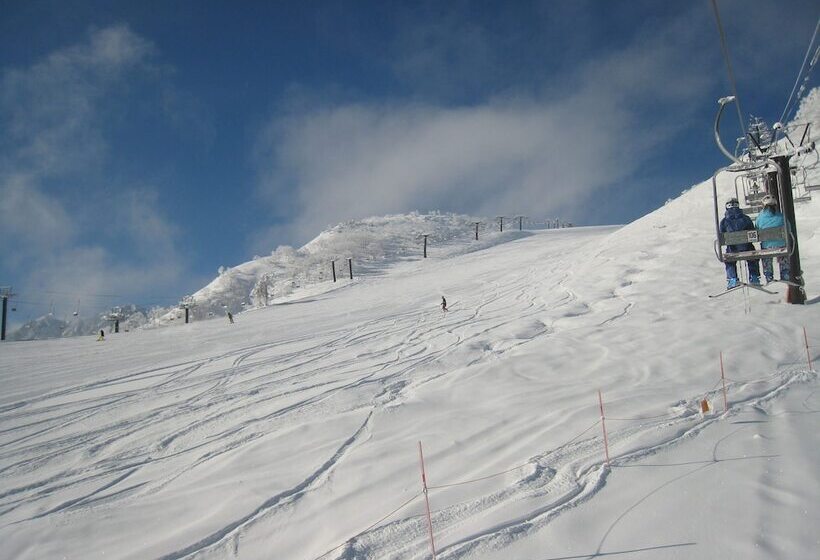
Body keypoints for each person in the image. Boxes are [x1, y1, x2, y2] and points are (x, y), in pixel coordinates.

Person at [720, 197, 760, 289]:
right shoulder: (746, 218)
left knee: (729, 260)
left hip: (733, 249)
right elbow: (752, 231)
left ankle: (732, 278)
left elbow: (722, 234)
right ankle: (754, 277)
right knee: (752, 255)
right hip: (747, 247)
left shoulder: (724, 221)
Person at [755, 194, 790, 283]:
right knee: (783, 251)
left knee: (766, 254)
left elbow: (757, 229)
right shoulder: (781, 216)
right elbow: (789, 229)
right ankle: (785, 273)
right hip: (781, 246)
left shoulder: (760, 218)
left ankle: (768, 275)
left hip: (767, 246)